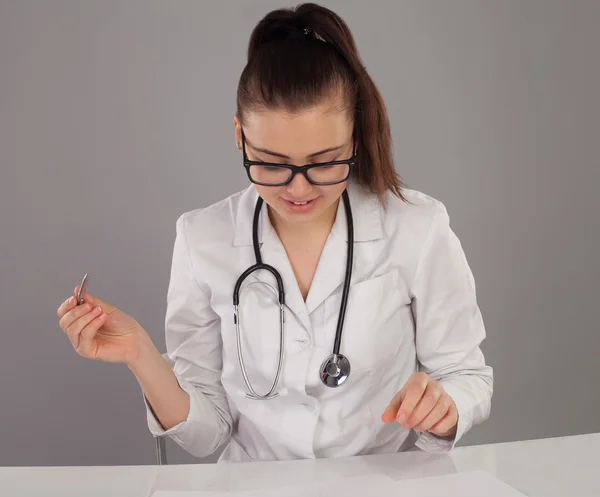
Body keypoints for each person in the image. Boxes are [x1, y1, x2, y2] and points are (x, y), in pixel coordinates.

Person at [57, 3, 492, 462]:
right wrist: (139, 353)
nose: (298, 187)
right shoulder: (201, 239)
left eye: (324, 162)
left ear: (356, 139)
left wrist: (446, 406)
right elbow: (207, 435)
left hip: (380, 496)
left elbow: (468, 377)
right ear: (240, 137)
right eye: (271, 163)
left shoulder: (417, 228)